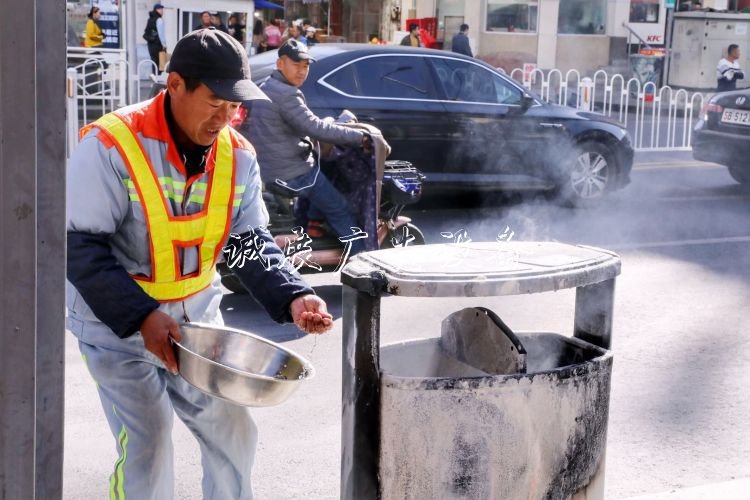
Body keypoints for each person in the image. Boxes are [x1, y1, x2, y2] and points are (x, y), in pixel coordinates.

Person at [66, 28, 333, 499]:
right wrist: (142, 316)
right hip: (118, 330)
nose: (226, 116)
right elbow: (79, 247)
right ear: (175, 86)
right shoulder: (110, 146)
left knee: (234, 434)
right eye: (215, 101)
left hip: (194, 324)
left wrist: (294, 293)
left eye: (235, 105)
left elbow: (248, 241)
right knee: (148, 441)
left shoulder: (238, 158)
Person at [247, 39, 371, 255]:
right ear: (280, 64)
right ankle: (361, 264)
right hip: (292, 172)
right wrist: (358, 137)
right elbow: (314, 127)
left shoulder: (266, 86)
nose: (301, 71)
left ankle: (314, 224)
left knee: (321, 172)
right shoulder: (287, 94)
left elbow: (300, 123)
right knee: (341, 209)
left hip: (270, 168)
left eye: (305, 66)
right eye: (296, 64)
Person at [144, 3, 167, 74]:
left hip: (150, 44)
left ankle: (154, 76)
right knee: (161, 63)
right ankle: (159, 78)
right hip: (158, 44)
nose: (162, 11)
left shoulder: (150, 19)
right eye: (161, 9)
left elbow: (146, 30)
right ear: (157, 10)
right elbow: (161, 33)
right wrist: (164, 45)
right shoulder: (159, 20)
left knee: (154, 61)